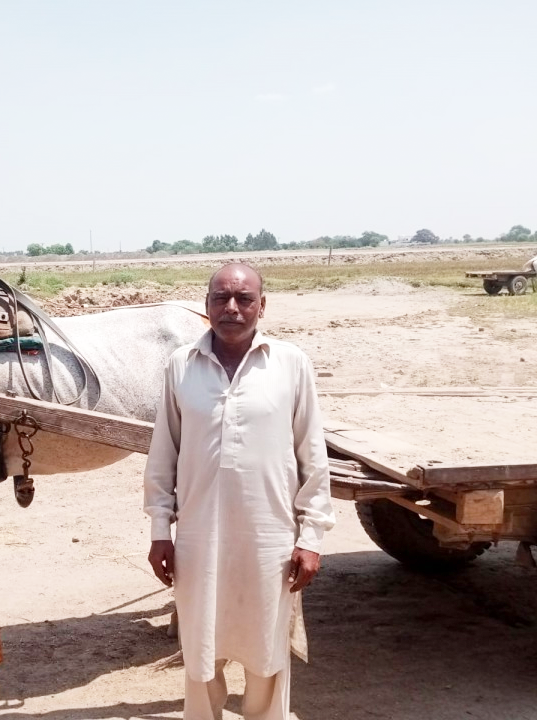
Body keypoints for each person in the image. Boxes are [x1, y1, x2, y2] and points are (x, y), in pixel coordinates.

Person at [144, 263, 335, 720]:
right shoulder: (181, 366)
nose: (231, 307)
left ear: (262, 306)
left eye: (244, 298)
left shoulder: (290, 364)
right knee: (200, 641)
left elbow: (313, 456)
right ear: (206, 305)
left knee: (266, 645)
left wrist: (310, 538)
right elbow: (162, 455)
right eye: (220, 298)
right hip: (198, 538)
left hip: (269, 537)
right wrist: (159, 531)